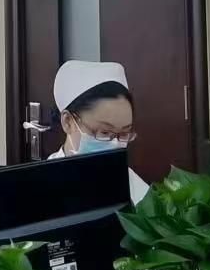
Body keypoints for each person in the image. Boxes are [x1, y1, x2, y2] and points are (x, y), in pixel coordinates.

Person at [53, 60, 150, 205]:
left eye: (124, 134)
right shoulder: (43, 185)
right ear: (68, 122)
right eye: (104, 132)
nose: (116, 144)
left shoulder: (133, 184)